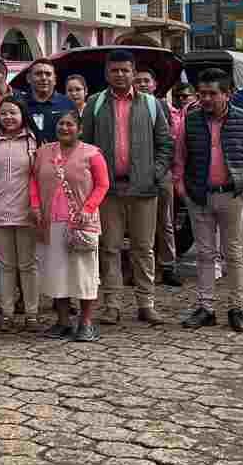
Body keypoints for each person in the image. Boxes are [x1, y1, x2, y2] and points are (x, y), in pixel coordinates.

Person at [80, 50, 174, 326]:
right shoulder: (95, 104)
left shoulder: (152, 104)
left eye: (125, 70)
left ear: (134, 73)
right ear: (107, 73)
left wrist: (153, 173)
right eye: (114, 70)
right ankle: (112, 304)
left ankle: (146, 303)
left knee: (143, 249)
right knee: (108, 248)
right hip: (107, 192)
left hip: (144, 190)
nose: (120, 75)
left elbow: (166, 144)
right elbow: (85, 145)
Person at [174, 70, 243, 332]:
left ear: (227, 94)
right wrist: (182, 189)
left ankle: (235, 307)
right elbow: (179, 159)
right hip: (199, 196)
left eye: (212, 94)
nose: (205, 99)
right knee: (205, 254)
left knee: (233, 254)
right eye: (202, 93)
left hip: (233, 195)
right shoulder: (189, 121)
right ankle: (206, 308)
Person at [30, 109, 108, 341]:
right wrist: (35, 205)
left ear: (80, 129)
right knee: (57, 273)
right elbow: (33, 179)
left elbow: (103, 184)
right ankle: (62, 322)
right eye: (62, 124)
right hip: (50, 222)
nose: (65, 128)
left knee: (84, 274)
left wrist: (88, 208)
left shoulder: (92, 154)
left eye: (70, 124)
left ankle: (85, 322)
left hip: (81, 223)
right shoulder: (43, 152)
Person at [0, 96, 40, 330]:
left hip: (27, 210)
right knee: (5, 265)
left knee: (28, 264)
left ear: (23, 114)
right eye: (4, 113)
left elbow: (40, 175)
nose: (8, 117)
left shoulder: (34, 140)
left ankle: (32, 313)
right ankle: (7, 313)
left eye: (13, 112)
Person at [136, 68, 182, 286]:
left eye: (146, 81)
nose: (142, 84)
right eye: (139, 81)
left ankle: (168, 265)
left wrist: (160, 168)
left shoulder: (162, 106)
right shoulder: (128, 106)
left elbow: (172, 140)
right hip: (134, 173)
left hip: (161, 171)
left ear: (155, 85)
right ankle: (141, 267)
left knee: (165, 221)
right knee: (138, 223)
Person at [20, 60, 74, 143]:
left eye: (48, 74)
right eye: (38, 74)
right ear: (28, 78)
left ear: (55, 79)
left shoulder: (67, 104)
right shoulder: (19, 104)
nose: (44, 78)